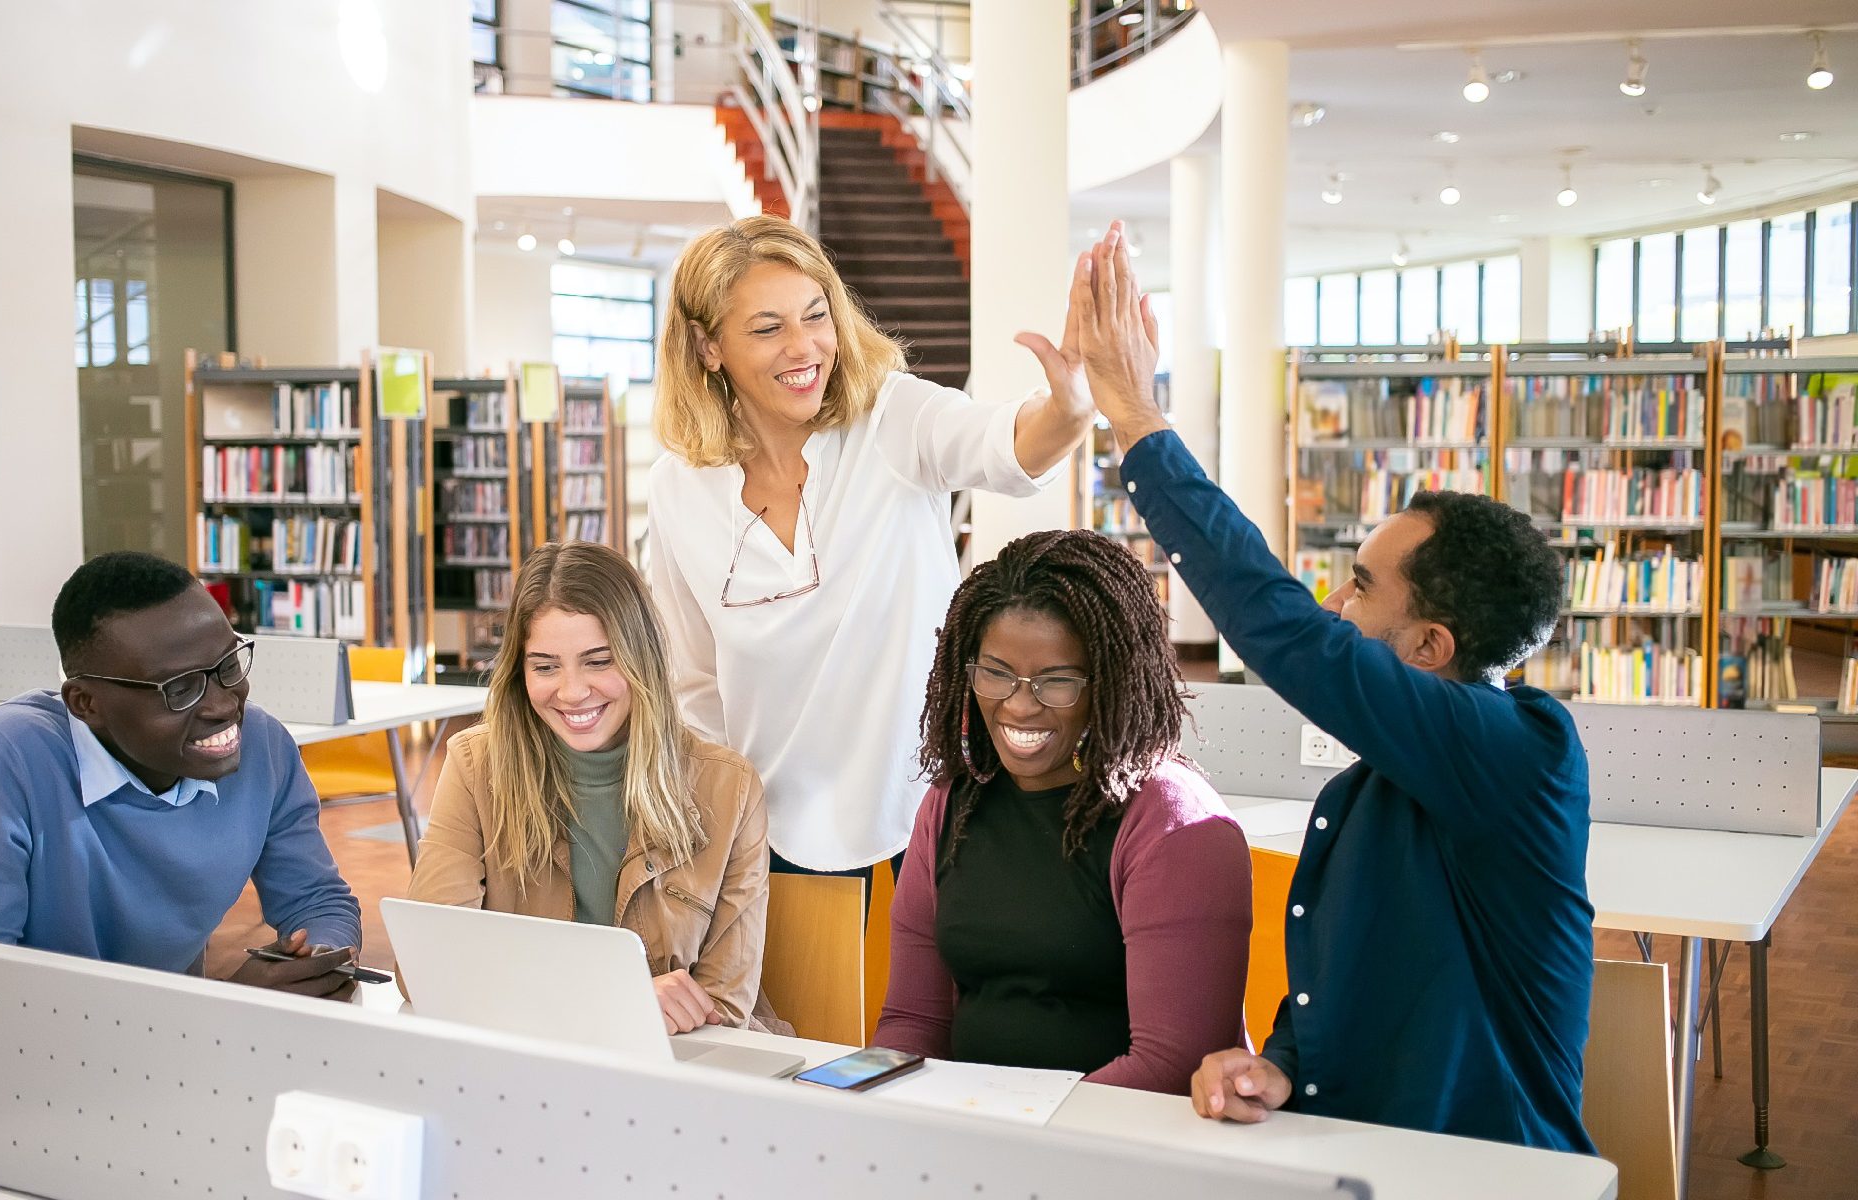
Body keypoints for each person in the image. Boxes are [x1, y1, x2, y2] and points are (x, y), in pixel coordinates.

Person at [1072, 231, 1594, 1149]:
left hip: (1484, 1171)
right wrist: (1279, 1066)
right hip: (1352, 1155)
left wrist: (1135, 420)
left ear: (1431, 646)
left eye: (1360, 585)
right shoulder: (1371, 788)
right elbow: (1354, 983)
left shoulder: (1519, 752)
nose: (1335, 603)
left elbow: (1286, 631)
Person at [645, 214, 1112, 879]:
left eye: (816, 316)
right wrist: (717, 832)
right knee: (804, 989)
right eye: (768, 328)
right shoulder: (678, 488)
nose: (804, 347)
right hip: (766, 839)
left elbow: (999, 444)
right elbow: (692, 684)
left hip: (927, 820)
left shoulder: (890, 420)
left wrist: (1068, 410)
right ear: (707, 346)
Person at [872, 529, 1252, 1094]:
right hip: (975, 1137)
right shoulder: (951, 802)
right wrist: (862, 1096)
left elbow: (1172, 1065)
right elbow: (913, 1023)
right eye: (995, 672)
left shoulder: (1175, 824)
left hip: (1111, 1150)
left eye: (1056, 682)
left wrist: (1010, 1134)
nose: (1020, 704)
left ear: (1112, 682)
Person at [0, 551, 361, 999]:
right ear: (85, 703)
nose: (223, 705)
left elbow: (318, 901)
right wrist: (227, 1006)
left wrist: (319, 955)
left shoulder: (263, 745)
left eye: (228, 666)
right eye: (180, 688)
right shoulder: (4, 759)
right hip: (33, 1054)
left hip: (173, 1050)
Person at [405, 541, 779, 1033]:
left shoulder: (729, 789)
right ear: (519, 673)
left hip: (678, 1069)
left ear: (639, 658)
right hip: (529, 1058)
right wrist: (615, 1002)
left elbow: (724, 1009)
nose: (573, 691)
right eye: (544, 666)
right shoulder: (476, 766)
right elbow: (425, 967)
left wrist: (545, 998)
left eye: (599, 661)